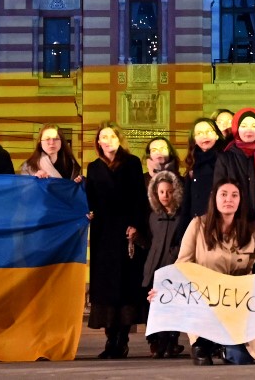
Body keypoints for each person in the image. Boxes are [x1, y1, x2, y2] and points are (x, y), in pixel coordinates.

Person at [173, 178, 255, 365]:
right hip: (204, 303)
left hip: (237, 306)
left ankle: (223, 347)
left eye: (234, 195)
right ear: (214, 199)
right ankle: (205, 343)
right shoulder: (197, 226)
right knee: (203, 356)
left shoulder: (253, 232)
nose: (228, 199)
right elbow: (181, 266)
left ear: (241, 200)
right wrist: (164, 290)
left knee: (242, 359)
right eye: (223, 194)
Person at [85, 121, 148, 359]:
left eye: (112, 136)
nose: (108, 140)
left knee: (125, 285)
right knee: (106, 288)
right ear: (98, 142)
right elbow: (90, 199)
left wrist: (136, 226)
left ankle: (122, 338)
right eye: (104, 136)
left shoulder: (132, 163)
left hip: (126, 232)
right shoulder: (93, 168)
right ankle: (110, 339)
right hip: (103, 234)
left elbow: (139, 198)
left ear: (119, 139)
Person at [141, 170, 185, 359]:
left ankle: (171, 341)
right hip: (154, 267)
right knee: (155, 306)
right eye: (161, 192)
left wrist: (174, 255)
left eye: (169, 192)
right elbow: (151, 241)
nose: (165, 196)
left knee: (173, 306)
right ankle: (158, 342)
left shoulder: (181, 217)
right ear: (155, 194)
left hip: (173, 268)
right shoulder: (153, 216)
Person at [181, 118, 224, 222]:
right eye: (199, 133)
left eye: (209, 131)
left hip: (219, 222)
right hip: (197, 222)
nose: (205, 136)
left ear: (217, 135)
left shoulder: (225, 160)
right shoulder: (193, 164)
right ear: (194, 140)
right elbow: (187, 202)